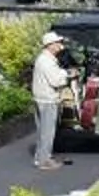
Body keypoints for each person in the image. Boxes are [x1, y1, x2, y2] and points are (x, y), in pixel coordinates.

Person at [29, 30, 70, 170]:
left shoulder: (44, 59)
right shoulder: (47, 62)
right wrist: (67, 73)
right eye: (57, 43)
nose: (60, 45)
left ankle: (40, 157)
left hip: (40, 99)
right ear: (50, 45)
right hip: (47, 101)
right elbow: (56, 81)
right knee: (47, 132)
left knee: (42, 131)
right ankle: (44, 161)